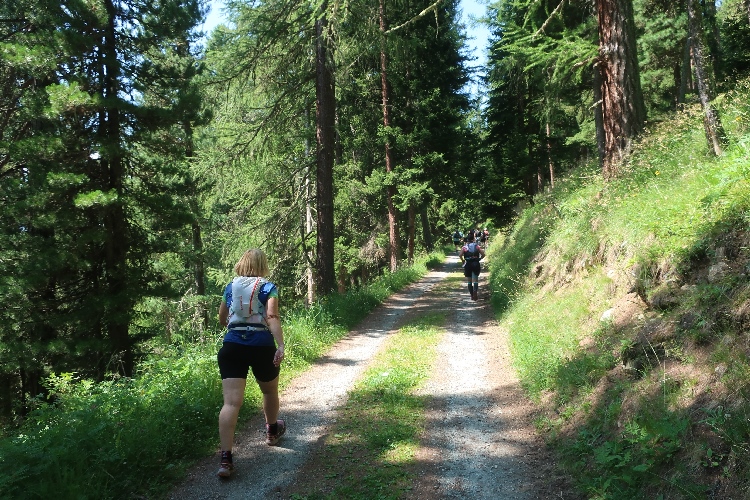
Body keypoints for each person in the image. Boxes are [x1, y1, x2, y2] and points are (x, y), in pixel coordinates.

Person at [216, 248, 286, 478]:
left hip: (232, 346)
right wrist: (280, 344)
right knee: (269, 390)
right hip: (261, 345)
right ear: (262, 265)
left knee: (231, 403)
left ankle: (225, 460)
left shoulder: (230, 287)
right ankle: (272, 432)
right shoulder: (268, 287)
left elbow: (222, 318)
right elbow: (272, 317)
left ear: (242, 263)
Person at [459, 232, 485, 301]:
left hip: (468, 264)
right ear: (473, 239)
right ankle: (475, 292)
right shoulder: (477, 246)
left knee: (469, 281)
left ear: (467, 240)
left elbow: (460, 255)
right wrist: (480, 258)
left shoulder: (464, 247)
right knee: (475, 280)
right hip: (476, 263)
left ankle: (471, 295)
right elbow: (483, 254)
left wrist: (463, 260)